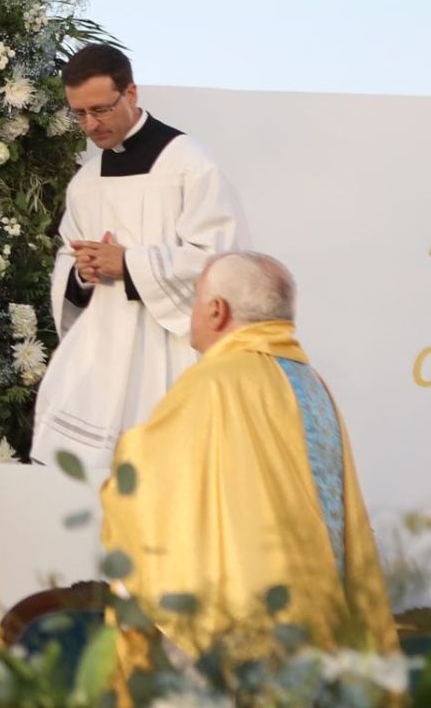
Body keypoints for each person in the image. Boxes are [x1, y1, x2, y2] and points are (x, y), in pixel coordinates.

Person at [101, 252, 398, 686]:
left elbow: (141, 481)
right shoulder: (313, 384)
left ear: (216, 311)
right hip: (325, 624)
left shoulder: (215, 381)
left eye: (196, 300)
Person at [30, 43, 248, 471]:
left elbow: (223, 260)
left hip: (172, 348)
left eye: (100, 110)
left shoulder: (188, 163)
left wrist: (130, 265)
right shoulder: (86, 182)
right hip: (103, 350)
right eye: (79, 114)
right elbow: (68, 255)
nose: (91, 125)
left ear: (130, 93)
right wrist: (82, 272)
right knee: (85, 484)